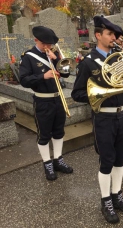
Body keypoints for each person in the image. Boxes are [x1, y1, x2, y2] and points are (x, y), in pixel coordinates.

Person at [72, 16, 123, 223]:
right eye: (110, 34)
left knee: (120, 158)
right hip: (104, 117)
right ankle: (105, 200)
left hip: (122, 114)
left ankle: (117, 194)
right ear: (98, 35)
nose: (114, 38)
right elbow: (77, 94)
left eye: (115, 34)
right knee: (107, 160)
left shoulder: (121, 57)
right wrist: (100, 93)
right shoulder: (88, 62)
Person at [19, 26, 73, 181]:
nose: (48, 47)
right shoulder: (28, 57)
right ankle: (47, 163)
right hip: (42, 100)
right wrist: (44, 76)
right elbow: (23, 80)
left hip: (58, 98)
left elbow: (67, 73)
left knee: (59, 132)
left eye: (50, 44)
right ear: (36, 40)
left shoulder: (55, 53)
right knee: (44, 135)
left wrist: (57, 60)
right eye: (45, 44)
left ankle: (58, 159)